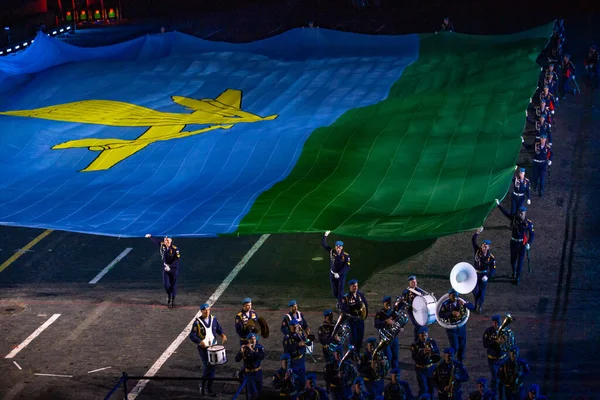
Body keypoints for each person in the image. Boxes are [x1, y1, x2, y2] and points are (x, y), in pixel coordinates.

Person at [188, 303, 228, 397]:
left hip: (213, 348)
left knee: (212, 369)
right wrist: (199, 341)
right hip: (204, 348)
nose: (207, 311)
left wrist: (222, 335)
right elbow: (192, 335)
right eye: (205, 310)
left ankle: (209, 388)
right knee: (208, 366)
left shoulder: (213, 319)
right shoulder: (197, 322)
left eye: (208, 309)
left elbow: (218, 328)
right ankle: (202, 384)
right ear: (201, 311)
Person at [496, 200, 535, 285]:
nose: (520, 214)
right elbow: (506, 213)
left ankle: (518, 277)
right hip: (513, 242)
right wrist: (499, 205)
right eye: (519, 213)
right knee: (512, 260)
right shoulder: (514, 218)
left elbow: (532, 235)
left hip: (522, 244)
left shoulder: (528, 223)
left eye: (522, 213)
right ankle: (514, 272)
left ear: (525, 213)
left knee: (520, 261)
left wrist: (529, 243)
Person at [437, 289, 474, 362]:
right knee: (455, 347)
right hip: (452, 328)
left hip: (461, 327)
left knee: (462, 346)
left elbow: (472, 307)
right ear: (449, 295)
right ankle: (450, 360)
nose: (455, 297)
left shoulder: (460, 302)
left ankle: (460, 362)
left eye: (456, 295)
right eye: (453, 295)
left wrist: (465, 304)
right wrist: (451, 313)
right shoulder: (445, 304)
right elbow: (441, 315)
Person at [482, 315, 515, 396]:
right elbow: (485, 345)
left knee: (503, 379)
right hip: (493, 360)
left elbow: (511, 344)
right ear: (492, 323)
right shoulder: (488, 331)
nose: (497, 324)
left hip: (503, 359)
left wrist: (505, 342)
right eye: (495, 323)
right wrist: (496, 342)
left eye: (498, 323)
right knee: (495, 378)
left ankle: (501, 395)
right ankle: (494, 395)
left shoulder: (506, 331)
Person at [145, 233, 180, 307]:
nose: (166, 241)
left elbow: (177, 260)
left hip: (173, 270)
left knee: (173, 285)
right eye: (165, 240)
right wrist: (151, 236)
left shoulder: (175, 249)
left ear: (171, 240)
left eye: (167, 240)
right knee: (166, 285)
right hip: (165, 269)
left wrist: (170, 266)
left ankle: (173, 301)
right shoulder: (163, 245)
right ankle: (169, 295)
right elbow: (156, 242)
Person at [471, 228, 496, 314]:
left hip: (483, 275)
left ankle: (479, 306)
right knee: (475, 291)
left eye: (485, 246)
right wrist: (477, 233)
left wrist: (488, 276)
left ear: (489, 247)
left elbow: (493, 268)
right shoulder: (477, 251)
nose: (483, 247)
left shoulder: (491, 257)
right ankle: (476, 303)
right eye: (483, 245)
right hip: (475, 273)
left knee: (482, 292)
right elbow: (473, 241)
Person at [322, 231, 351, 306]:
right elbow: (324, 244)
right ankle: (342, 300)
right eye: (337, 246)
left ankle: (341, 305)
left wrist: (339, 273)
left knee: (340, 291)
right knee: (335, 292)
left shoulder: (346, 256)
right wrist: (325, 235)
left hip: (341, 276)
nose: (338, 248)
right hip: (332, 274)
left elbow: (347, 267)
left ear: (342, 247)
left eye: (340, 247)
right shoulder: (332, 252)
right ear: (335, 247)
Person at [410, 326, 439, 398]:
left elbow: (437, 354)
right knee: (424, 389)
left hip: (431, 368)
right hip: (421, 370)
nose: (424, 336)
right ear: (419, 335)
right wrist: (423, 352)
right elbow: (415, 358)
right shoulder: (415, 345)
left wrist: (432, 352)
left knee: (431, 389)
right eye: (422, 335)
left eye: (425, 334)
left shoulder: (432, 342)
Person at [341, 279, 369, 351]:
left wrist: (364, 314)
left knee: (360, 338)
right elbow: (344, 309)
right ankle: (352, 353)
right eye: (353, 286)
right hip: (351, 321)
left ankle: (358, 352)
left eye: (356, 286)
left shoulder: (360, 294)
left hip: (360, 320)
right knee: (353, 338)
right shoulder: (346, 297)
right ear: (350, 287)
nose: (355, 287)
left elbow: (365, 305)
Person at [235, 333, 265, 399]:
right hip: (249, 374)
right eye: (251, 339)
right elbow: (237, 359)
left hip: (258, 372)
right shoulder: (245, 348)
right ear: (248, 340)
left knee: (260, 392)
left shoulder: (259, 347)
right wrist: (241, 352)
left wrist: (252, 350)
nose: (253, 341)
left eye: (254, 339)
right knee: (253, 394)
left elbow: (261, 356)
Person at [374, 296, 400, 369]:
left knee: (395, 356)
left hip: (394, 337)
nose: (388, 305)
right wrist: (385, 322)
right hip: (385, 338)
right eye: (386, 303)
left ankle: (394, 373)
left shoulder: (393, 312)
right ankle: (384, 371)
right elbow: (376, 324)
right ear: (383, 304)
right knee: (388, 356)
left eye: (389, 303)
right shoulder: (380, 314)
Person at [283, 319, 308, 389]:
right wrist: (297, 345)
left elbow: (306, 342)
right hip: (293, 361)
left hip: (301, 359)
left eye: (296, 326)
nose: (295, 328)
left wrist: (305, 336)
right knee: (294, 378)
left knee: (302, 377)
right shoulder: (287, 337)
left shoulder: (300, 334)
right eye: (293, 327)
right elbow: (287, 349)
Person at [401, 276, 427, 342]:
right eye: (412, 282)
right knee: (417, 325)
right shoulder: (406, 292)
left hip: (419, 311)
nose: (414, 283)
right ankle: (417, 340)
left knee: (419, 325)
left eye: (415, 282)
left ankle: (418, 340)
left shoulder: (419, 291)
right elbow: (403, 301)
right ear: (409, 283)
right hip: (411, 311)